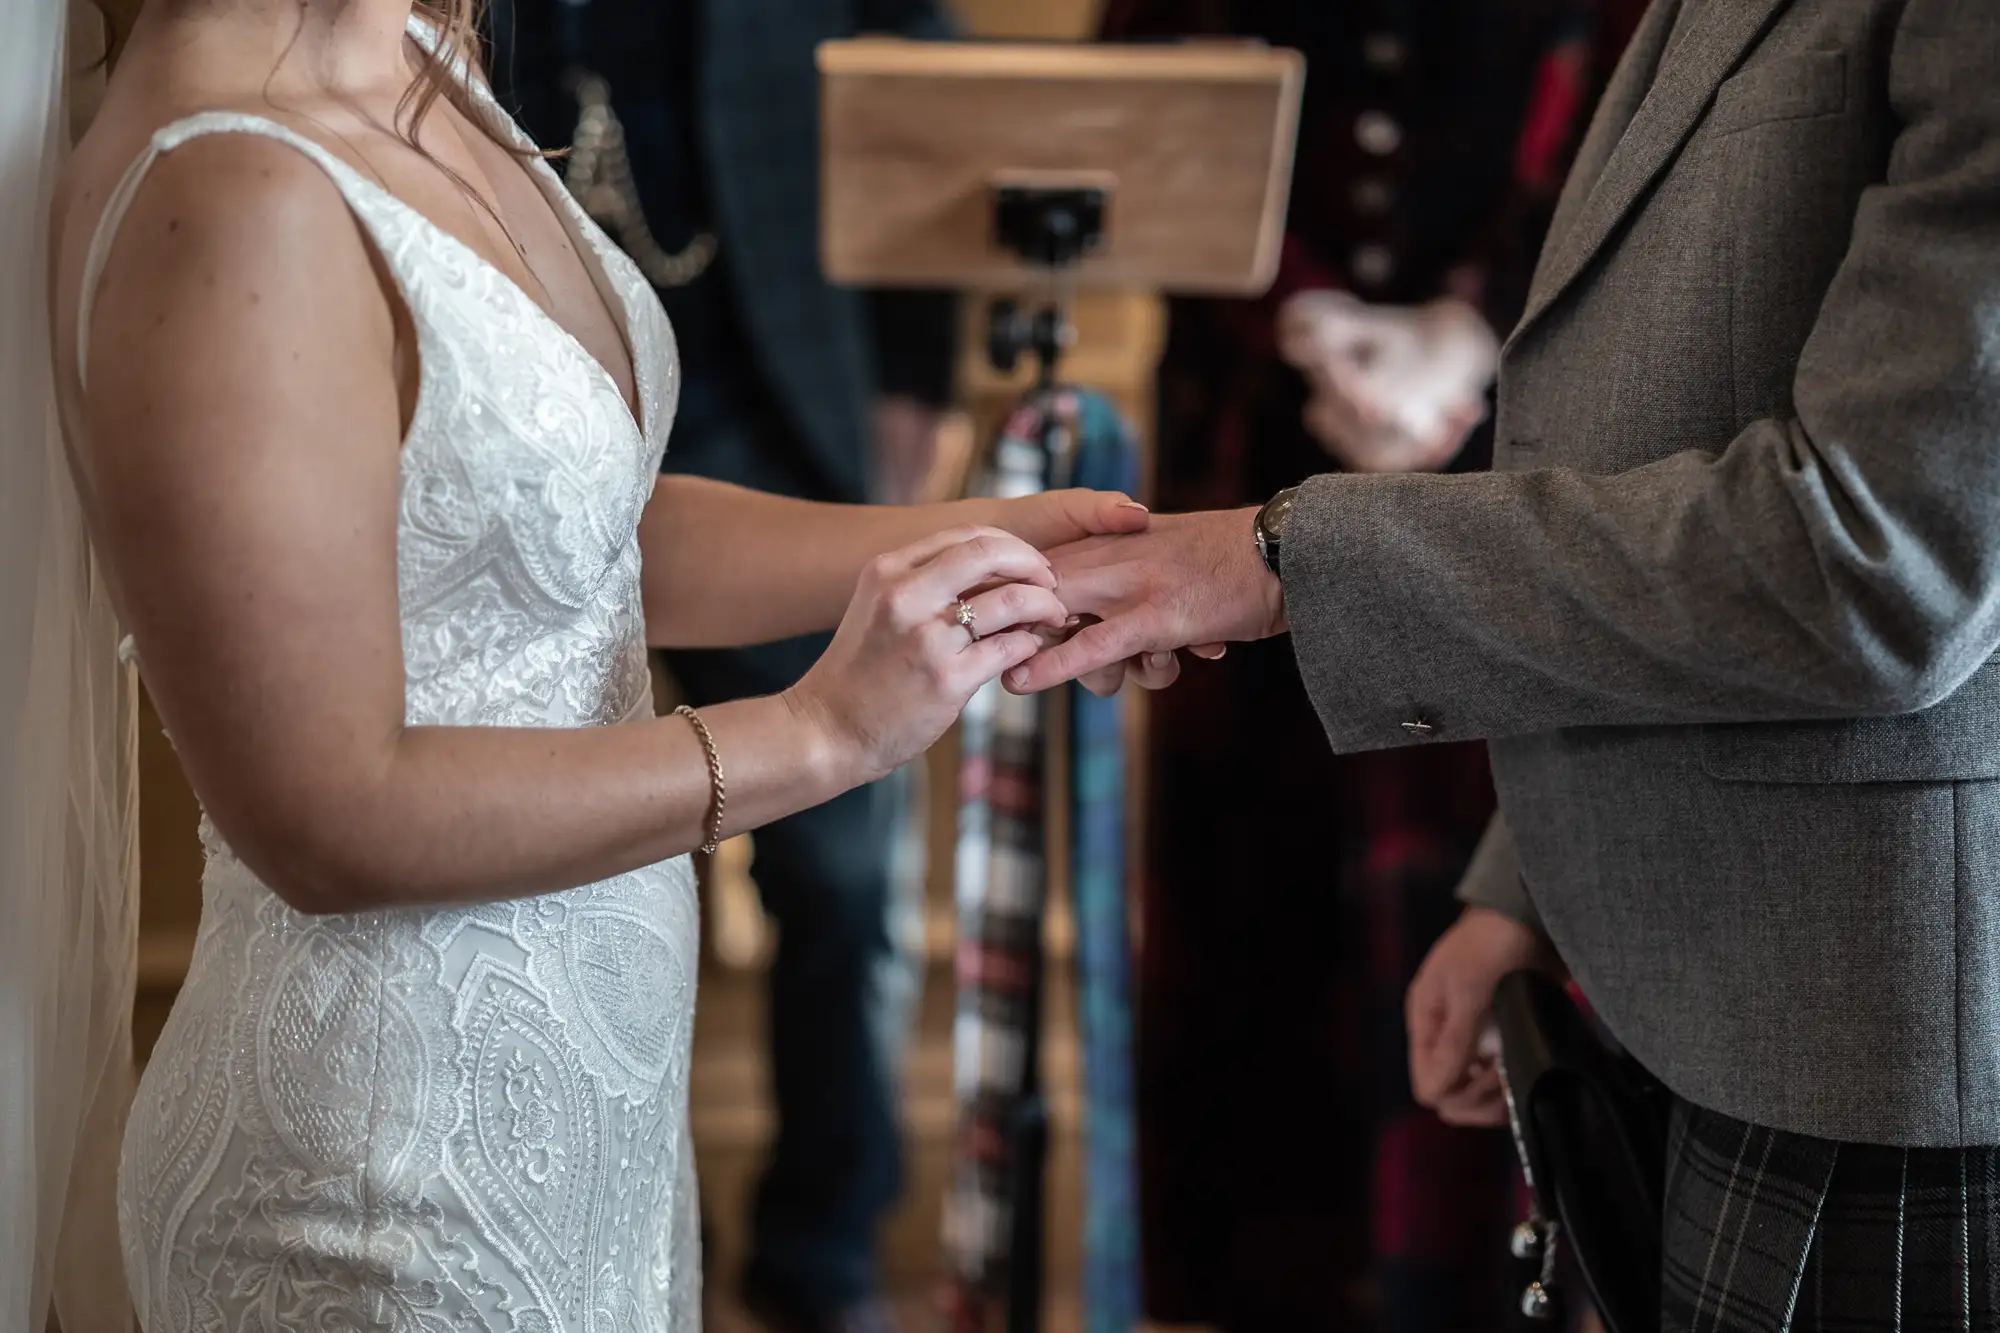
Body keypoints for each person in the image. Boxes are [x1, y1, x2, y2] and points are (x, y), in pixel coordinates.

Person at [48, 0, 1149, 1327]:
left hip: (590, 1100)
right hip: (385, 1164)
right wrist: (822, 734)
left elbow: (576, 530)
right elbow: (322, 816)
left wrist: (971, 539)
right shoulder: (229, 189)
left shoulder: (413, 59)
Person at [1023, 0, 2000, 1323]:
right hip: (1700, 942)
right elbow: (1665, 368)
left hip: (1884, 1033)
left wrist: (1286, 555)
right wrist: (1531, 876)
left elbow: (1878, 561)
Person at [1094, 2, 1591, 1327]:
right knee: (1256, 876)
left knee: (1479, 881)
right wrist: (1307, 321)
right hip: (1245, 438)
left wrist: (1466, 337)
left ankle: (1478, 1286)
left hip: (1523, 443)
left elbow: (1621, 98)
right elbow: (1143, 98)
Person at [482, 2, 956, 1326]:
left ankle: (823, 1265)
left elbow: (935, 102)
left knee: (848, 882)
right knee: (573, 882)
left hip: (780, 405)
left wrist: (914, 382)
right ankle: (619, 1246)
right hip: (530, 445)